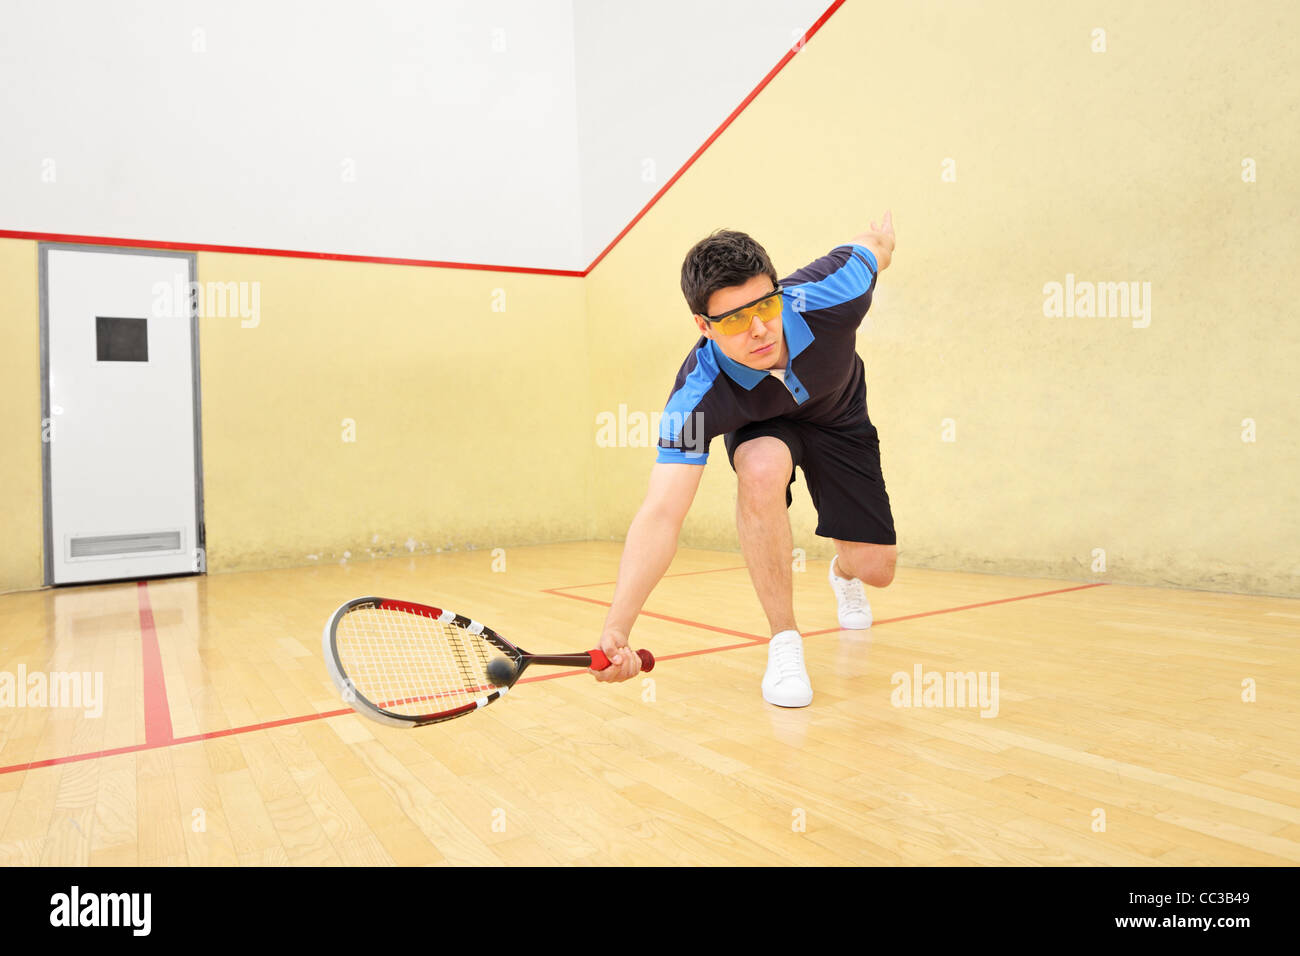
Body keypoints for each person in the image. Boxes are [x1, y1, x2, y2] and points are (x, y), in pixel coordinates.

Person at [591, 213, 897, 707]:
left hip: (841, 419)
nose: (758, 330)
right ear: (703, 326)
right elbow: (661, 514)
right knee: (759, 466)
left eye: (765, 307)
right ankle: (785, 644)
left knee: (876, 569)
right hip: (764, 431)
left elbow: (873, 248)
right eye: (733, 319)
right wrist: (617, 628)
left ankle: (843, 573)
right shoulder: (695, 397)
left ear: (778, 291)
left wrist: (881, 236)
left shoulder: (833, 291)